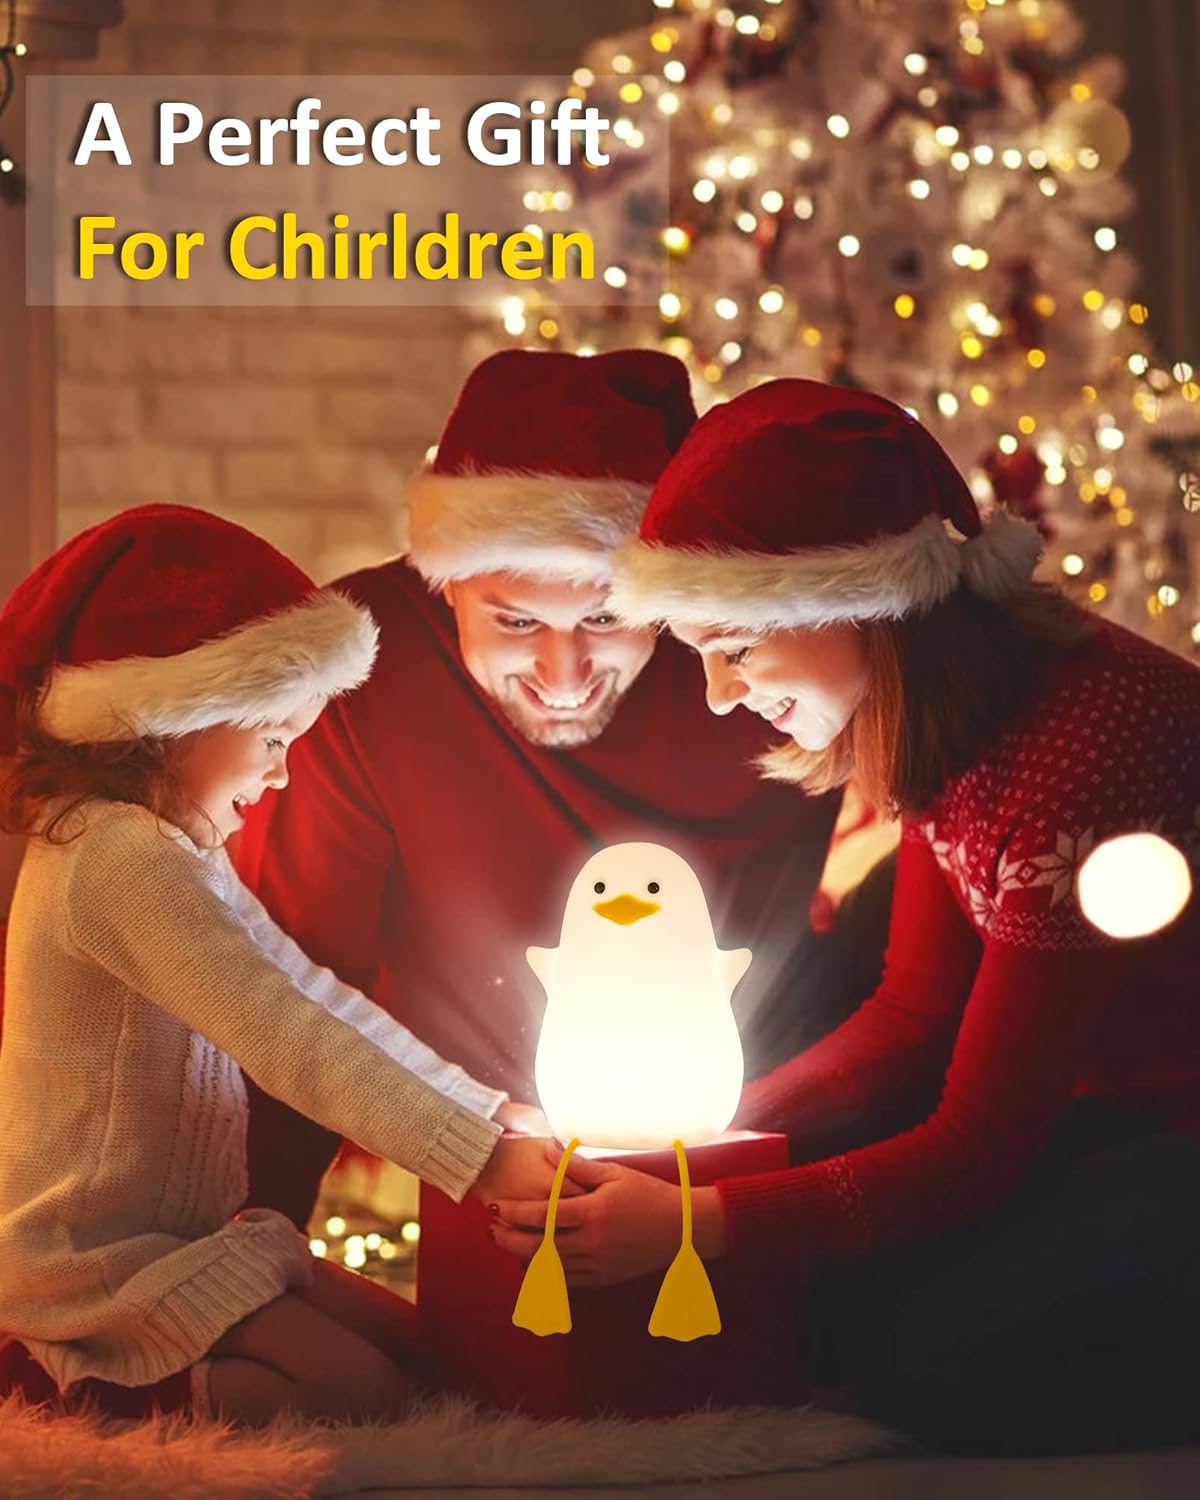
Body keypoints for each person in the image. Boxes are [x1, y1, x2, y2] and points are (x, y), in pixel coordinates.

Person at [489, 379, 1200, 1455]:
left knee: (918, 1366)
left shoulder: (1080, 753)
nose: (722, 696)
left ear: (861, 602)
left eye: (733, 645)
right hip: (1116, 1123)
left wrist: (699, 1217)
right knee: (833, 1310)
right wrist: (681, 1149)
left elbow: (979, 1141)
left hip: (1168, 1135)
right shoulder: (955, 722)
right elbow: (913, 1016)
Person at [236, 349, 890, 1232]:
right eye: (515, 621)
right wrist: (253, 1241)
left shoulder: (756, 671)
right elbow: (296, 988)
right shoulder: (366, 675)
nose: (565, 670)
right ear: (445, 583)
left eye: (606, 618)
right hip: (483, 1166)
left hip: (765, 1150)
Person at [0, 505, 558, 1428]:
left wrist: (482, 1110)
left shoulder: (174, 849)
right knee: (360, 1393)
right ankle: (51, 1383)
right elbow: (283, 1033)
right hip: (89, 1267)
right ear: (172, 722)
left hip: (186, 1245)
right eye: (271, 741)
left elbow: (309, 990)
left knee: (426, 1356)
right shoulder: (116, 858)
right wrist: (479, 1158)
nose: (283, 774)